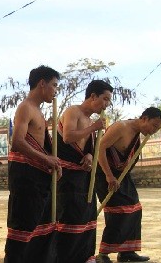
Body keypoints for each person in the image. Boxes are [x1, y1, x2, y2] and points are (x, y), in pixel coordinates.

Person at [4, 65, 62, 263]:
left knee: (40, 225)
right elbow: (18, 142)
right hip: (26, 177)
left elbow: (43, 147)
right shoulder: (26, 107)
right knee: (24, 226)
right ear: (42, 83)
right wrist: (46, 159)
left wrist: (53, 164)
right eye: (54, 85)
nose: (56, 90)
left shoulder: (38, 111)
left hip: (38, 177)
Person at [95, 107, 161, 263]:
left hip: (123, 176)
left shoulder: (138, 135)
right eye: (153, 125)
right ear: (144, 118)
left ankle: (127, 252)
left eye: (157, 128)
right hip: (105, 174)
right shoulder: (121, 127)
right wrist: (109, 175)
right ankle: (103, 254)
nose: (153, 130)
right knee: (119, 210)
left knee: (135, 208)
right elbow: (100, 147)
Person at [56, 80, 113, 263]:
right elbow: (68, 137)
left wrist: (89, 154)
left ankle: (86, 256)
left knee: (86, 216)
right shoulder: (74, 111)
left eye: (109, 101)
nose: (107, 104)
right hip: (67, 178)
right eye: (105, 99)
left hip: (84, 178)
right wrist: (94, 127)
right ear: (93, 96)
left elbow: (86, 146)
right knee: (71, 217)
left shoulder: (90, 120)